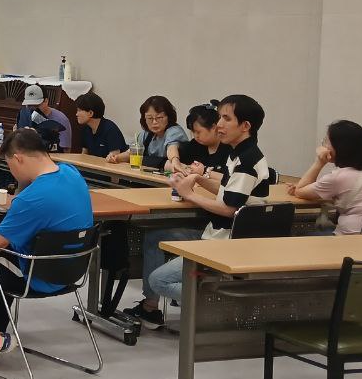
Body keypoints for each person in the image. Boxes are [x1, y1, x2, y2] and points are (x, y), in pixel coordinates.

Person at [0, 128, 94, 364]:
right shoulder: (71, 173)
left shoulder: (34, 198)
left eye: (10, 166)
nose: (11, 172)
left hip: (41, 275)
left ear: (18, 158)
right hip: (73, 269)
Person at [148, 95, 271, 305]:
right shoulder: (239, 154)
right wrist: (198, 179)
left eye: (226, 119)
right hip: (220, 235)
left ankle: (217, 302)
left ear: (245, 126)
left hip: (226, 242)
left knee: (158, 280)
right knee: (156, 238)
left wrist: (190, 195)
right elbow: (229, 192)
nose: (219, 125)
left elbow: (229, 209)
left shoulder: (246, 160)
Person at [125, 101, 229, 328]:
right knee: (153, 235)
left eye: (200, 131)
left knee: (155, 237)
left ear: (215, 128)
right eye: (193, 132)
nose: (196, 136)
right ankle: (151, 305)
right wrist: (175, 161)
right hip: (200, 218)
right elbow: (174, 150)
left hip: (215, 228)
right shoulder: (196, 146)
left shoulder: (230, 154)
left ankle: (202, 303)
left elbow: (231, 187)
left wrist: (205, 175)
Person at [288, 120, 362, 234]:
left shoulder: (338, 178)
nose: (323, 145)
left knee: (300, 237)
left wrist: (320, 162)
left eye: (326, 141)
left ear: (340, 147)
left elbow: (300, 191)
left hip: (351, 239)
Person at [107, 95, 187, 169]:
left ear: (168, 117)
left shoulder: (174, 131)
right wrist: (116, 158)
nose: (154, 122)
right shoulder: (146, 133)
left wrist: (175, 161)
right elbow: (131, 153)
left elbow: (172, 149)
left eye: (159, 117)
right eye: (150, 118)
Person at [15, 84, 73, 152]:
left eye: (36, 105)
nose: (33, 109)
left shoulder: (61, 119)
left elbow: (65, 150)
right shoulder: (25, 114)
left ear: (46, 101)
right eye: (30, 106)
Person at [75, 91, 127, 158]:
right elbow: (84, 155)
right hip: (92, 166)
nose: (76, 114)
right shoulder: (85, 129)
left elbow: (115, 158)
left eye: (79, 110)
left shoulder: (110, 129)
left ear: (90, 113)